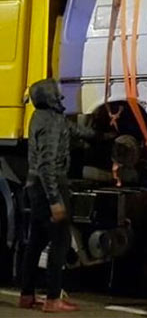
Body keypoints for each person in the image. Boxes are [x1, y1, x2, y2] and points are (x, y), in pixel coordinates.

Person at [18, 78, 104, 313]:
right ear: (49, 96)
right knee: (60, 241)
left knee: (35, 242)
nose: (61, 94)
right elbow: (47, 166)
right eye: (56, 91)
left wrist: (100, 134)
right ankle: (53, 298)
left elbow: (75, 131)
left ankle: (26, 295)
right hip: (51, 185)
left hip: (34, 186)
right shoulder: (53, 122)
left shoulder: (41, 118)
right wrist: (55, 201)